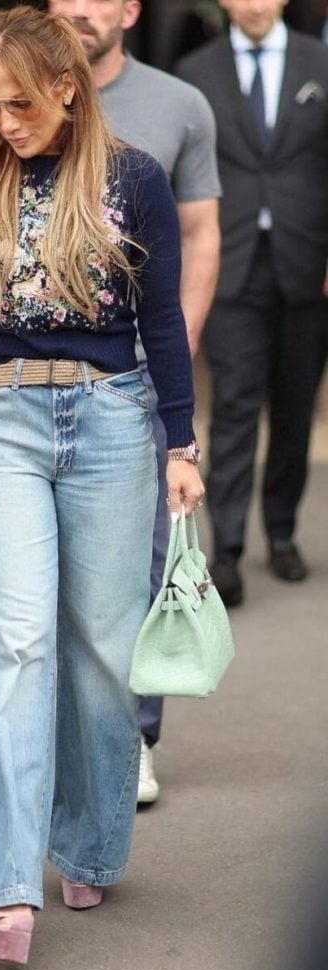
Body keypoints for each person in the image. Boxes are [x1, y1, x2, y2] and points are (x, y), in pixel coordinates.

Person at [0, 6, 204, 967]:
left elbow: (161, 321)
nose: (4, 123)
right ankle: (4, 881)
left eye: (20, 105)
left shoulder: (134, 179)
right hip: (0, 419)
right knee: (17, 639)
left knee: (101, 652)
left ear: (66, 88)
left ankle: (85, 843)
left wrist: (181, 442)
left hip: (113, 419)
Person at [47, 0, 221, 804]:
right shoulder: (21, 98)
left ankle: (133, 734)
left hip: (141, 371)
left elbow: (201, 231)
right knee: (49, 567)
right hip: (37, 377)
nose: (80, 10)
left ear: (130, 10)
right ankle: (57, 734)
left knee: (146, 558)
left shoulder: (178, 104)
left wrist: (174, 346)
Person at [177, 0, 328, 607]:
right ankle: (229, 547)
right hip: (228, 261)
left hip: (307, 262)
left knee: (295, 406)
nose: (257, 5)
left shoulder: (320, 62)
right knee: (235, 406)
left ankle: (283, 533)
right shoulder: (195, 72)